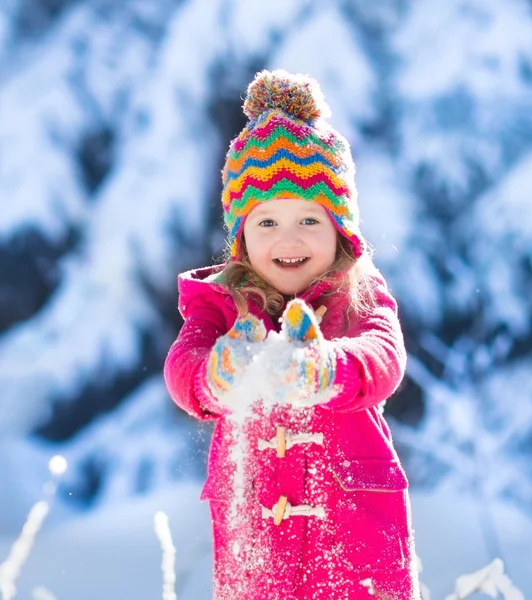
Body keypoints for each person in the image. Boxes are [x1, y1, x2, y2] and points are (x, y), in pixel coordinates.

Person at [164, 69, 420, 600]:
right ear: (240, 234)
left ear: (340, 228)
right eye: (266, 223)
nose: (288, 239)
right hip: (257, 544)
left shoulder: (359, 297)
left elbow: (383, 356)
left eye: (309, 220)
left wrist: (327, 366)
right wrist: (219, 374)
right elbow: (183, 368)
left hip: (355, 542)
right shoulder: (219, 308)